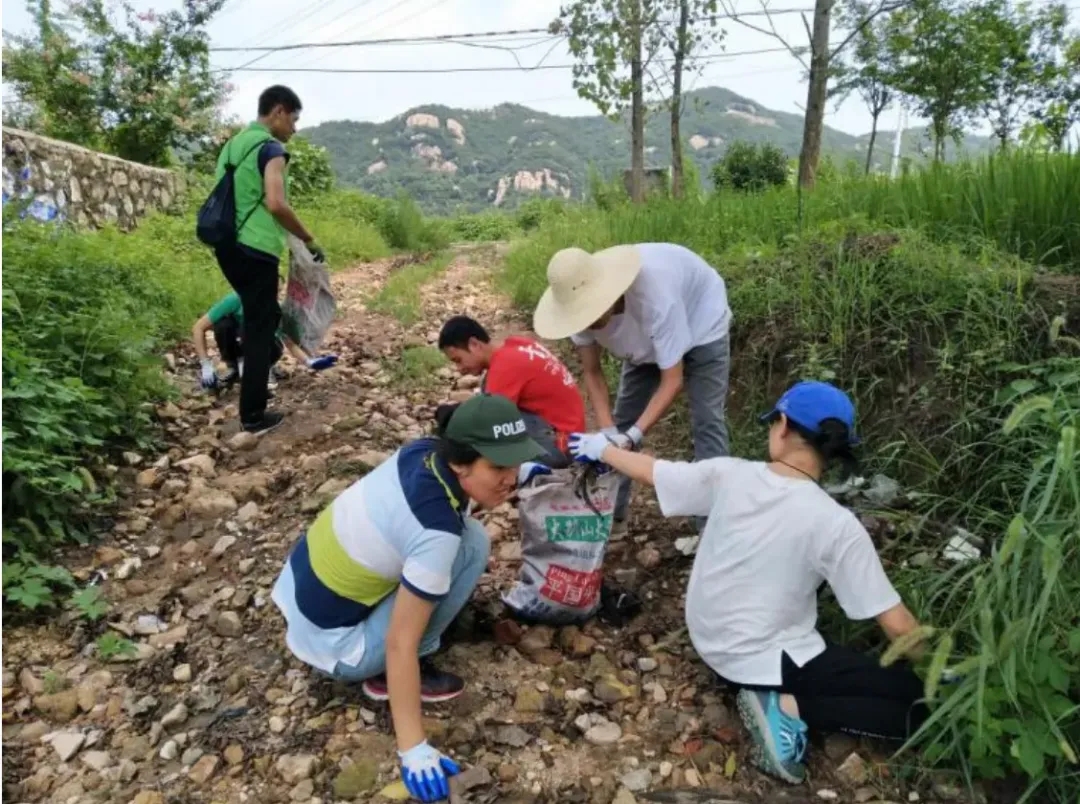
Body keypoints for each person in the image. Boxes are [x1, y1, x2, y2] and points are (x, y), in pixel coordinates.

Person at [567, 381, 927, 785]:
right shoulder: (836, 524)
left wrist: (602, 449)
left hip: (710, 638)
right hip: (761, 660)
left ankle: (777, 698)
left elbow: (656, 471)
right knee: (918, 701)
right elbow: (896, 624)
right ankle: (790, 708)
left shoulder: (730, 474)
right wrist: (941, 670)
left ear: (783, 425)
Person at [270, 393, 547, 803]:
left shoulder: (424, 451)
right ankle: (389, 676)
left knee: (462, 535)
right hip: (340, 651)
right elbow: (400, 640)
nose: (511, 476)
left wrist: (512, 475)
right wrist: (413, 747)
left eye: (516, 463)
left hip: (300, 599)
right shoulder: (435, 531)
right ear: (460, 462)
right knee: (470, 544)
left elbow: (445, 505)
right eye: (499, 467)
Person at [532, 243, 732, 532]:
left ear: (610, 295)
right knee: (622, 420)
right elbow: (592, 371)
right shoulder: (575, 309)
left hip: (701, 323)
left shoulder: (655, 296)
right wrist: (610, 434)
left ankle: (714, 528)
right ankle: (612, 515)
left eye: (595, 314)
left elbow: (672, 380)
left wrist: (634, 436)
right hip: (643, 345)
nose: (591, 323)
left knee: (707, 422)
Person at [212, 84, 325, 435]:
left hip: (227, 246)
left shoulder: (233, 146)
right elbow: (276, 203)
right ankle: (254, 417)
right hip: (257, 247)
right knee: (261, 331)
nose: (294, 128)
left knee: (259, 316)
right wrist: (308, 239)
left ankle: (241, 379)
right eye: (293, 119)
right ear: (277, 112)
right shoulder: (270, 148)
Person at [438, 315, 585, 468]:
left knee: (486, 432)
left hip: (561, 447)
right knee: (487, 396)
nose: (459, 369)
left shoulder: (504, 367)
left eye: (458, 360)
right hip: (571, 435)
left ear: (474, 344)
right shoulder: (515, 346)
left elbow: (487, 423)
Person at [192, 291, 338, 390]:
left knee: (255, 329)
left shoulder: (275, 310)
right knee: (224, 324)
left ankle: (263, 367)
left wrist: (310, 362)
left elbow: (290, 345)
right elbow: (199, 327)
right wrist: (205, 364)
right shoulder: (236, 299)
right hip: (239, 343)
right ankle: (235, 365)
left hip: (268, 347)